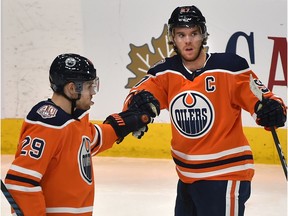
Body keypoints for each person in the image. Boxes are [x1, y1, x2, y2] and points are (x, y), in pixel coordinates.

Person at [123, 5, 287, 216]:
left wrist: (272, 110)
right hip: (187, 179)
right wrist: (138, 106)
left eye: (193, 33)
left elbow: (268, 101)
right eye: (181, 35)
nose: (188, 41)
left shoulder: (230, 67)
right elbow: (135, 97)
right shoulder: (164, 72)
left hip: (226, 176)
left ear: (203, 35)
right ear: (172, 37)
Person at [4, 53, 159, 215]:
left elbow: (91, 140)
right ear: (72, 88)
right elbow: (20, 183)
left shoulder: (74, 118)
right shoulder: (48, 123)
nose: (93, 92)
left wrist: (127, 122)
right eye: (88, 86)